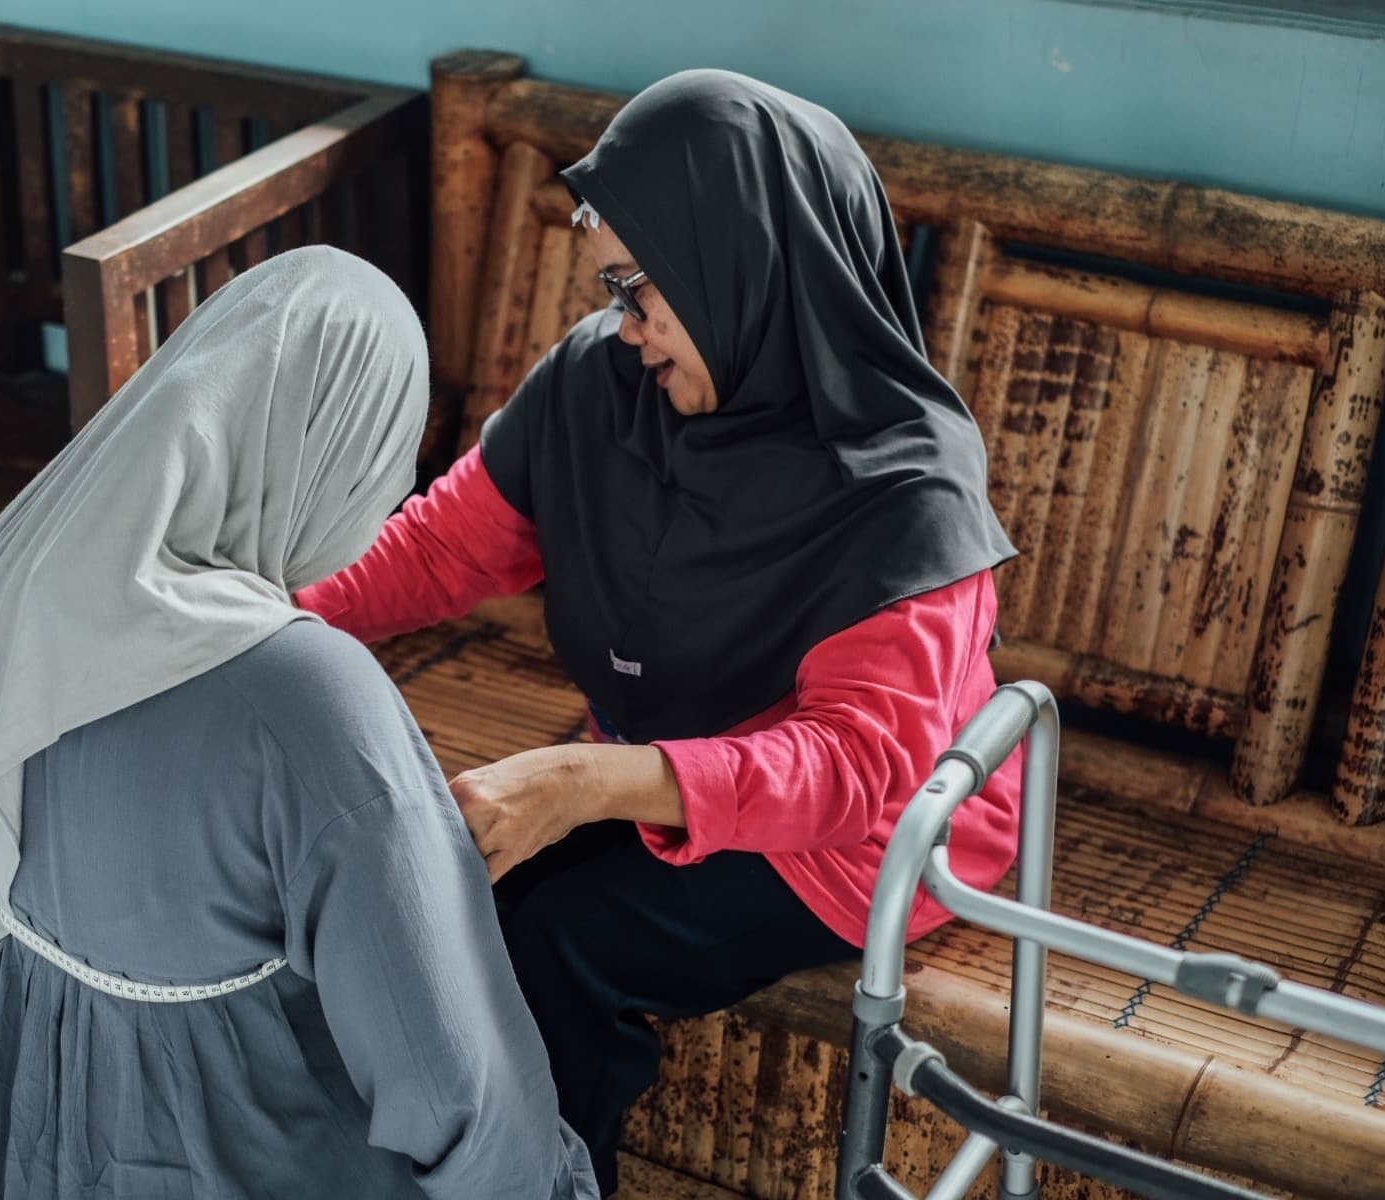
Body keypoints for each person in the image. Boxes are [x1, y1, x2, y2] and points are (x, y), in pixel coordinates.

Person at [295, 72, 1023, 1195]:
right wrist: (262, 623)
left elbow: (855, 769)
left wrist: (588, 781)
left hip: (856, 847)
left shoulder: (904, 484)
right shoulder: (602, 381)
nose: (624, 326)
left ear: (740, 268)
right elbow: (442, 548)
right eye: (614, 289)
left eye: (642, 290)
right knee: (453, 889)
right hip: (665, 763)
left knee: (565, 942)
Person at [0, 247, 599, 1200]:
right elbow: (449, 1069)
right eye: (386, 450)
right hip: (242, 1151)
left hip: (15, 1116)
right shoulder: (300, 695)